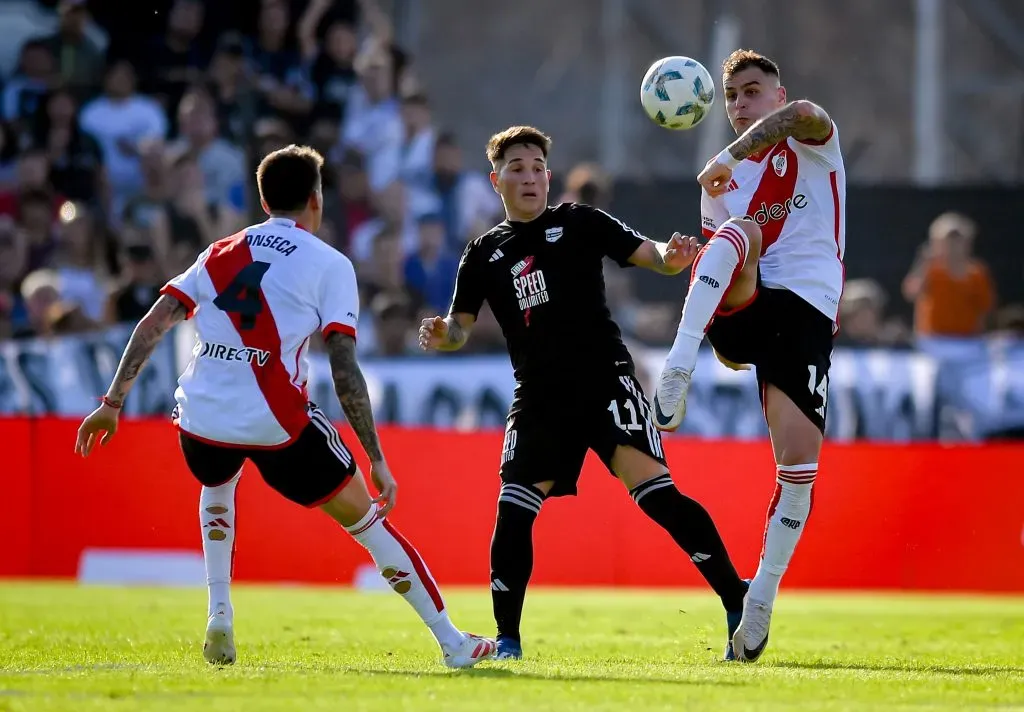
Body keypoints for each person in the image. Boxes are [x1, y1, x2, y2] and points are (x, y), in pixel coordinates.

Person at [74, 144, 495, 669]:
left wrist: (112, 403)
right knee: (367, 522)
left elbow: (154, 323)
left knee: (216, 484)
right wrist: (377, 458)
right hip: (277, 425)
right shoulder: (330, 264)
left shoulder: (219, 251)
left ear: (263, 197)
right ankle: (452, 642)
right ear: (316, 200)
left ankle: (220, 613)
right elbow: (344, 368)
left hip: (200, 422)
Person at [418, 125, 750, 661]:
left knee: (659, 497)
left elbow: (653, 255)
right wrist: (444, 335)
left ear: (549, 176)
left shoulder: (579, 221)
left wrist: (676, 253)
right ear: (495, 180)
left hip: (605, 380)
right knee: (513, 511)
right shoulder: (482, 254)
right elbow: (459, 327)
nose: (529, 177)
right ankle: (508, 641)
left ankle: (739, 599)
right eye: (517, 169)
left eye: (537, 168)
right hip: (539, 396)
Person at [652, 49, 847, 663]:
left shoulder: (814, 143)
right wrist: (692, 252)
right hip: (748, 304)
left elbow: (807, 113)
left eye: (750, 91)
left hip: (807, 314)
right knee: (738, 234)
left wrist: (728, 153)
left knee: (798, 470)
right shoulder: (722, 187)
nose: (739, 104)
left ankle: (758, 602)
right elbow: (727, 260)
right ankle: (676, 369)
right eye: (731, 96)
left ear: (777, 93)